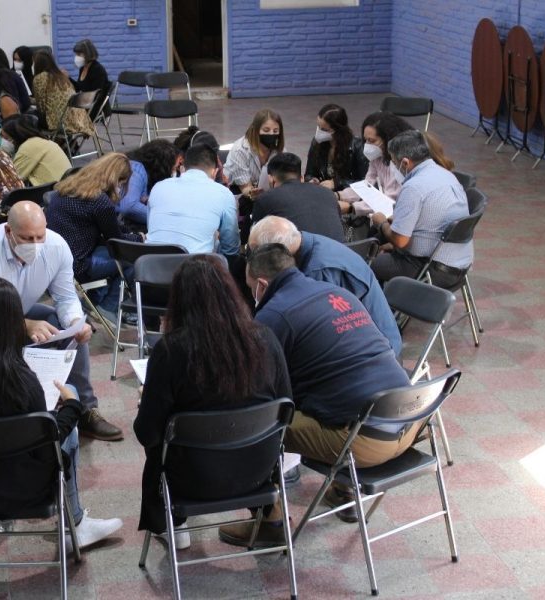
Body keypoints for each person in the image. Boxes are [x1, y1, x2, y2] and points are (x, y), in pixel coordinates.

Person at [219, 243, 413, 547]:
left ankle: (270, 523)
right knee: (337, 391)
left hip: (365, 444)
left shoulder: (274, 315)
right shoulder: (338, 293)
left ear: (261, 284)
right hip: (410, 422)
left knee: (255, 424)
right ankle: (343, 488)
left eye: (249, 288)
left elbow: (250, 385)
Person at [0, 275, 123, 548]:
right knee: (70, 432)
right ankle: (74, 524)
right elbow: (46, 441)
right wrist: (73, 405)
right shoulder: (20, 380)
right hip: (26, 487)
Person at [134, 255, 292, 548]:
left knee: (158, 438)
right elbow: (286, 408)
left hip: (191, 480)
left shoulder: (170, 350)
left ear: (178, 300)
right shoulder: (266, 338)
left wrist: (150, 402)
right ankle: (270, 514)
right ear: (230, 293)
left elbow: (147, 433)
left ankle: (174, 526)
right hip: (258, 472)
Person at [0, 201, 124, 442]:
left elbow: (66, 297)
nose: (36, 245)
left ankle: (85, 409)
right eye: (27, 238)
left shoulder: (56, 246)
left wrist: (75, 322)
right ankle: (21, 408)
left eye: (40, 236)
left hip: (20, 310)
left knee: (65, 326)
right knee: (10, 338)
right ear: (8, 231)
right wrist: (25, 324)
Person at [248, 216, 401, 356]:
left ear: (276, 251)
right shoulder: (304, 242)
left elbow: (319, 332)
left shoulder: (319, 272)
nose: (254, 261)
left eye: (256, 254)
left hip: (378, 349)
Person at [370, 130, 473, 290]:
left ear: (405, 163)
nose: (394, 168)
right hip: (459, 266)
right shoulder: (446, 175)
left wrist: (382, 223)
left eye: (394, 163)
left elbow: (400, 241)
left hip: (433, 270)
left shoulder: (413, 187)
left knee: (373, 263)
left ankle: (384, 311)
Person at [47, 153, 142, 321]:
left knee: (108, 252)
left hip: (53, 261)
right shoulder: (99, 201)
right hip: (78, 266)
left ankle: (94, 300)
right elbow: (116, 241)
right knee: (133, 259)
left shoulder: (66, 189)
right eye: (122, 183)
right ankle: (107, 307)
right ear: (116, 180)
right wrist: (141, 239)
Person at [146, 144, 240, 257]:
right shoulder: (223, 194)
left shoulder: (158, 187)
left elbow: (151, 227)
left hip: (149, 266)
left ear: (183, 168)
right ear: (214, 172)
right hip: (194, 269)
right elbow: (230, 247)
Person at [252, 152, 345, 243]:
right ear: (302, 178)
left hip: (300, 257)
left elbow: (256, 239)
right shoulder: (328, 193)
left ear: (270, 179)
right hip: (343, 253)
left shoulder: (265, 199)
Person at [304, 103, 369, 193]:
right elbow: (309, 174)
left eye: (324, 130)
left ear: (338, 130)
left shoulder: (357, 147)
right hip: (323, 192)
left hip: (348, 195)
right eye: (318, 127)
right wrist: (311, 180)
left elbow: (366, 182)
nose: (319, 132)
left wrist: (337, 183)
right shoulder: (317, 142)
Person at [119, 139, 182, 230]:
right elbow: (129, 206)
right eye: (174, 168)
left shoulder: (141, 170)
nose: (174, 172)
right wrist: (163, 218)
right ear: (163, 166)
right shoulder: (136, 169)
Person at [32, 49, 94, 136]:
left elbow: (42, 107)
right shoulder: (61, 76)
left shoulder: (39, 78)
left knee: (29, 117)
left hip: (60, 124)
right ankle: (65, 145)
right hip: (79, 121)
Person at [223, 108, 284, 197]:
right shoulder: (240, 150)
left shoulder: (279, 151)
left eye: (275, 131)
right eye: (266, 130)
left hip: (266, 194)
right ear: (255, 130)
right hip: (236, 192)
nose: (271, 134)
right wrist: (253, 193)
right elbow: (245, 188)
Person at [1, 114, 71, 186]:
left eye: (6, 138)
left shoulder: (28, 147)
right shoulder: (41, 141)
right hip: (64, 188)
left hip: (54, 192)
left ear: (15, 136)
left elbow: (11, 179)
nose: (3, 141)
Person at [70, 40, 109, 118]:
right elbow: (79, 88)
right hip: (85, 103)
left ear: (88, 54)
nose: (76, 57)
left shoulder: (97, 70)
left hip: (95, 107)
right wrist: (68, 78)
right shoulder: (82, 68)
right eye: (76, 54)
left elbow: (97, 95)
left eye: (79, 54)